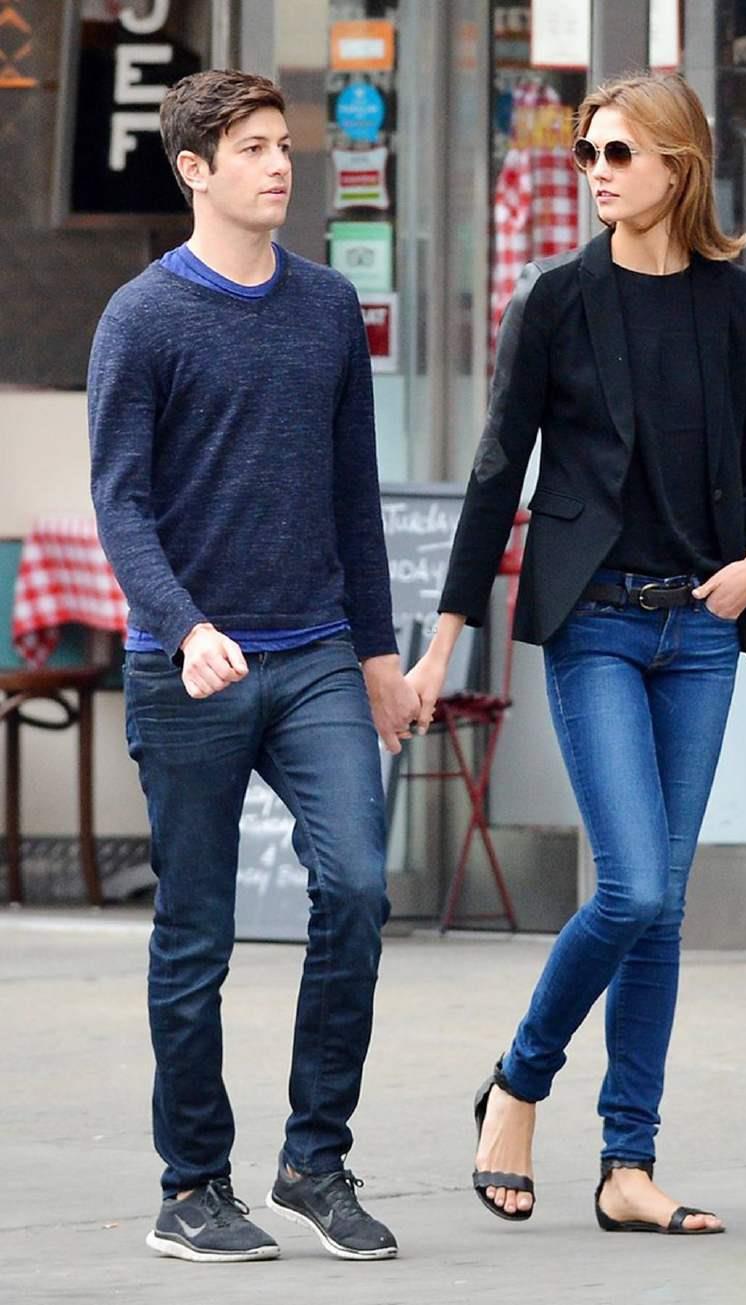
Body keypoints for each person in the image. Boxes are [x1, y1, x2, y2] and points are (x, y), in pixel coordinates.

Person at [408, 71, 746, 1235]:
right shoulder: (557, 302)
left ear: (679, 163)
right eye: (589, 153)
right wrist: (443, 644)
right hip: (599, 625)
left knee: (661, 906)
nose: (598, 173)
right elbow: (494, 477)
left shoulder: (736, 304)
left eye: (620, 152)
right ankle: (519, 1084)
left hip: (701, 630)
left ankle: (628, 1165)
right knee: (632, 885)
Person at [88, 69, 420, 1265]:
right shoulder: (141, 318)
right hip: (190, 668)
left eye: (285, 144)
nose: (281, 165)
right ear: (194, 169)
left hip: (316, 650)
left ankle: (313, 1162)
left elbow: (353, 499)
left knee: (360, 888)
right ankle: (192, 1188)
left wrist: (378, 655)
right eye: (254, 148)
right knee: (197, 935)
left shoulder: (327, 307)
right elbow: (120, 505)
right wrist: (185, 627)